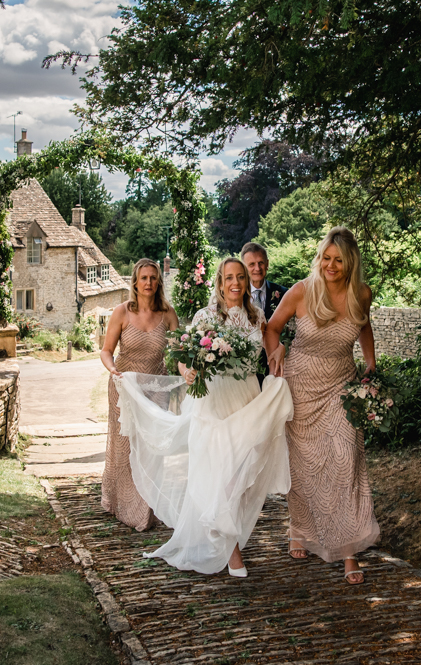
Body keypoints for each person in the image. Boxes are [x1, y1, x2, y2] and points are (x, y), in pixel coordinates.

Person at [116, 257, 294, 577]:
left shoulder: (257, 318)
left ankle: (223, 530)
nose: (236, 283)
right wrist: (186, 372)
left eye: (240, 277)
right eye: (229, 277)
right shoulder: (205, 316)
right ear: (220, 281)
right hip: (213, 401)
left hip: (246, 401)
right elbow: (183, 355)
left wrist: (279, 350)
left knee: (242, 473)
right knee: (223, 476)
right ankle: (231, 548)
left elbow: (269, 351)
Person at [263, 226, 380, 585]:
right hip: (300, 386)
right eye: (326, 258)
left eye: (338, 260)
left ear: (350, 262)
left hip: (341, 387)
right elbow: (272, 328)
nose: (330, 265)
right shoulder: (302, 290)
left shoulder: (362, 292)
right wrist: (275, 352)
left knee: (346, 460)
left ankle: (348, 552)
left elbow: (363, 327)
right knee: (304, 467)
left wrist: (371, 365)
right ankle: (299, 529)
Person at [100, 258, 179, 531]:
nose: (149, 283)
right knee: (125, 448)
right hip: (125, 387)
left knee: (153, 448)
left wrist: (188, 371)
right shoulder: (121, 312)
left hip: (157, 388)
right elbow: (106, 351)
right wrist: (113, 371)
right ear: (135, 281)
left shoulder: (168, 313)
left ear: (158, 282)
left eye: (153, 278)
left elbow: (180, 353)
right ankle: (122, 504)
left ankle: (148, 507)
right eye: (144, 278)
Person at [241, 242, 289, 386]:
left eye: (261, 263)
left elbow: (294, 329)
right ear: (243, 267)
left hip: (276, 366)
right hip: (244, 370)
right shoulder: (236, 295)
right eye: (251, 264)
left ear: (267, 264)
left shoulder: (283, 294)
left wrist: (284, 345)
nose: (257, 268)